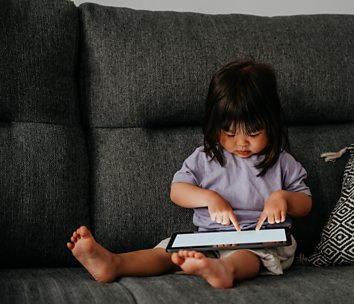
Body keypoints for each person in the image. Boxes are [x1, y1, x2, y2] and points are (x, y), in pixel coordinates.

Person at [67, 58, 312, 289]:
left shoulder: (282, 162)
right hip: (208, 239)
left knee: (249, 257)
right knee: (166, 252)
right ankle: (114, 263)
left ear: (272, 125)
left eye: (253, 134)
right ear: (214, 125)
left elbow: (305, 204)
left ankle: (225, 270)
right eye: (229, 133)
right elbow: (177, 191)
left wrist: (283, 198)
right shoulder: (204, 158)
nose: (241, 143)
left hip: (262, 241)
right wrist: (209, 198)